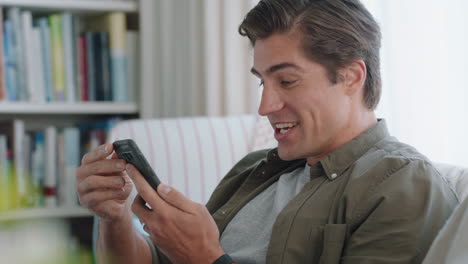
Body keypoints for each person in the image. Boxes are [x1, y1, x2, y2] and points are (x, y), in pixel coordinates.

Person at [76, 0, 459, 263]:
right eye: (263, 82)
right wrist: (115, 218)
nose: (265, 107)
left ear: (351, 76)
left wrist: (206, 258)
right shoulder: (255, 169)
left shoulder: (402, 185)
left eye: (287, 81)